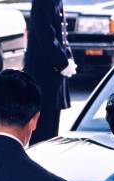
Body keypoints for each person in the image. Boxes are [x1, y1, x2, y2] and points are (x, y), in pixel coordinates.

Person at [24, 0, 77, 145]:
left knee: (51, 130)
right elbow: (45, 33)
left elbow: (61, 34)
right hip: (43, 74)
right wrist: (62, 62)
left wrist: (68, 57)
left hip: (52, 73)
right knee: (42, 132)